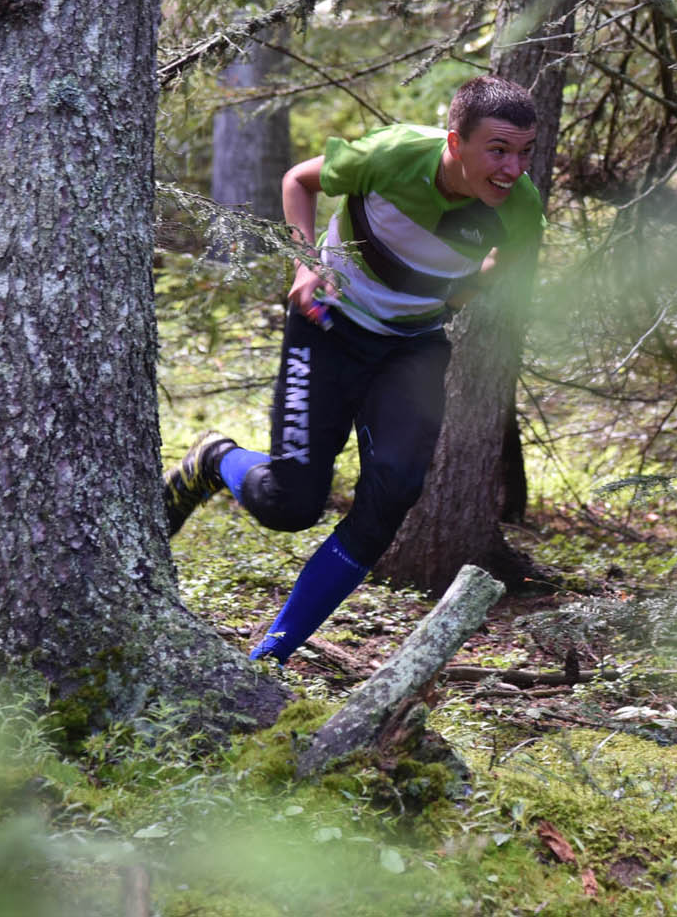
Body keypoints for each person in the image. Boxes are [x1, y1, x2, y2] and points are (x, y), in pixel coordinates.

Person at [163, 75, 545, 663]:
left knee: (393, 495)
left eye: (524, 152)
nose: (512, 169)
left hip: (411, 349)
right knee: (290, 504)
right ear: (455, 142)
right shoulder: (393, 156)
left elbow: (510, 264)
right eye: (498, 150)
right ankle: (215, 459)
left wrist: (456, 296)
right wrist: (305, 264)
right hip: (329, 329)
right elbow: (299, 181)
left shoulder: (519, 206)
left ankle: (272, 656)